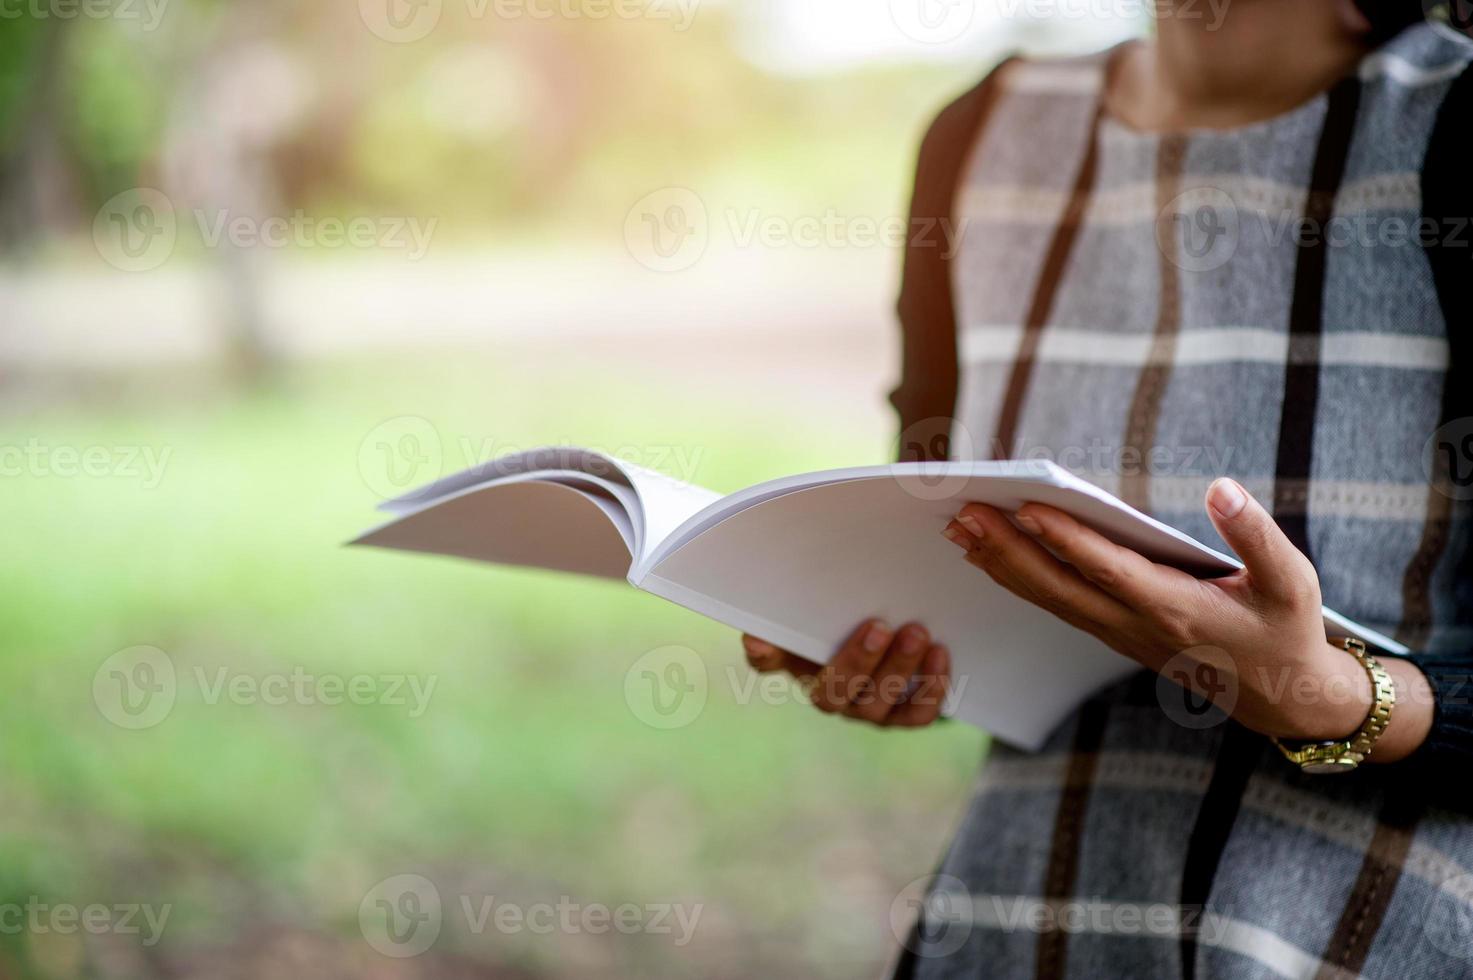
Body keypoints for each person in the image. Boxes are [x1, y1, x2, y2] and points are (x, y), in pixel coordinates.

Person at [742, 2, 1473, 975]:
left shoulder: (1451, 128)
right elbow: (949, 527)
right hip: (1019, 923)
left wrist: (1336, 696)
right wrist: (886, 637)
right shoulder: (980, 131)